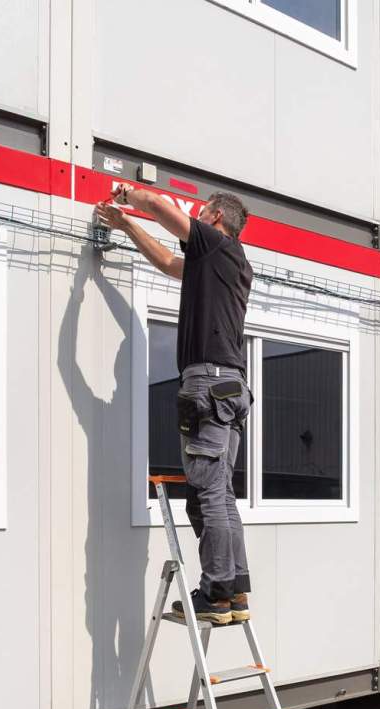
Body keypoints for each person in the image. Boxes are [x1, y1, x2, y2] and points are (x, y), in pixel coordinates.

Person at [96, 185, 254, 625]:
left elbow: (160, 208)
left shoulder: (217, 243)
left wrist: (129, 192)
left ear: (216, 219)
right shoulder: (223, 265)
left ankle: (216, 593)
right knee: (217, 494)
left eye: (202, 214)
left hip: (209, 382)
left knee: (209, 496)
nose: (197, 220)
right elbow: (167, 263)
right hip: (229, 388)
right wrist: (126, 225)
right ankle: (235, 592)